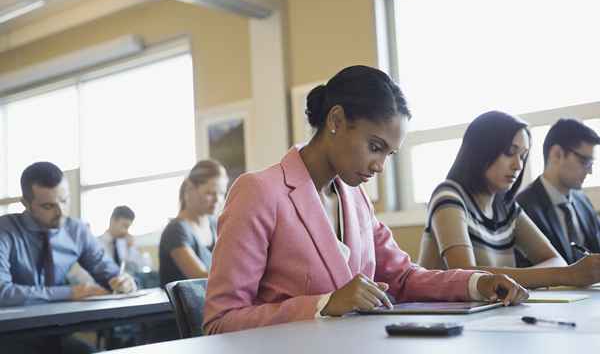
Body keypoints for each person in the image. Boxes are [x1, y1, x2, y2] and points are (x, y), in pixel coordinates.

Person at [203, 66, 528, 335]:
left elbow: (402, 278)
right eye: (375, 147)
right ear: (335, 121)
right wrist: (323, 304)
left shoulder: (354, 197)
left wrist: (477, 284)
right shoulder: (258, 191)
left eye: (389, 154)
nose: (379, 166)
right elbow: (220, 322)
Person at [418, 111, 600, 288]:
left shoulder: (506, 207)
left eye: (522, 156)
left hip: (491, 314)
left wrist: (559, 273)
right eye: (509, 152)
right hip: (441, 316)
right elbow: (466, 275)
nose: (518, 165)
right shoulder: (448, 196)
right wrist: (567, 275)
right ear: (481, 151)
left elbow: (556, 260)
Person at [0, 162, 137, 354]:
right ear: (26, 204)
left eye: (64, 201)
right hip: (9, 336)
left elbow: (108, 272)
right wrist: (69, 292)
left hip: (56, 333)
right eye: (48, 206)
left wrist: (123, 281)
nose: (61, 212)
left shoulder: (76, 230)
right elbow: (2, 293)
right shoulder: (5, 231)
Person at [517, 118, 600, 264]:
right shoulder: (523, 207)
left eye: (591, 163)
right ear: (557, 154)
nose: (590, 171)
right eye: (584, 161)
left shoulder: (582, 201)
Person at [159, 160, 229, 286]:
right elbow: (202, 277)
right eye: (209, 193)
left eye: (221, 193)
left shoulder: (214, 224)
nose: (217, 200)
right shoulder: (176, 230)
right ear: (190, 189)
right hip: (184, 305)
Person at [99, 205, 145, 274]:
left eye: (128, 227)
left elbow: (139, 268)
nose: (126, 231)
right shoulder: (97, 244)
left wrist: (131, 248)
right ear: (113, 220)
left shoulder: (126, 244)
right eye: (124, 226)